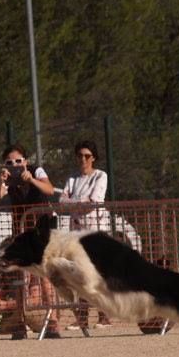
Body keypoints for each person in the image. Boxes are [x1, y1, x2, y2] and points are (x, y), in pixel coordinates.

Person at [0, 143, 60, 339]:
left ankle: (53, 320)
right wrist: (1, 181)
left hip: (41, 228)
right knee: (21, 277)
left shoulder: (35, 170)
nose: (15, 164)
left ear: (25, 161)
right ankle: (20, 321)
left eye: (18, 161)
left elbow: (49, 189)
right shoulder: (8, 178)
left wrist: (32, 180)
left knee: (44, 275)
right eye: (10, 162)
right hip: (21, 230)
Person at [57, 139, 111, 328]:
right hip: (76, 235)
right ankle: (83, 317)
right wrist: (79, 201)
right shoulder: (72, 179)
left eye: (87, 156)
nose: (83, 159)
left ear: (93, 158)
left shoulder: (100, 176)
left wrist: (74, 201)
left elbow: (93, 202)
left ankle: (104, 316)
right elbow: (62, 200)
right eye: (80, 155)